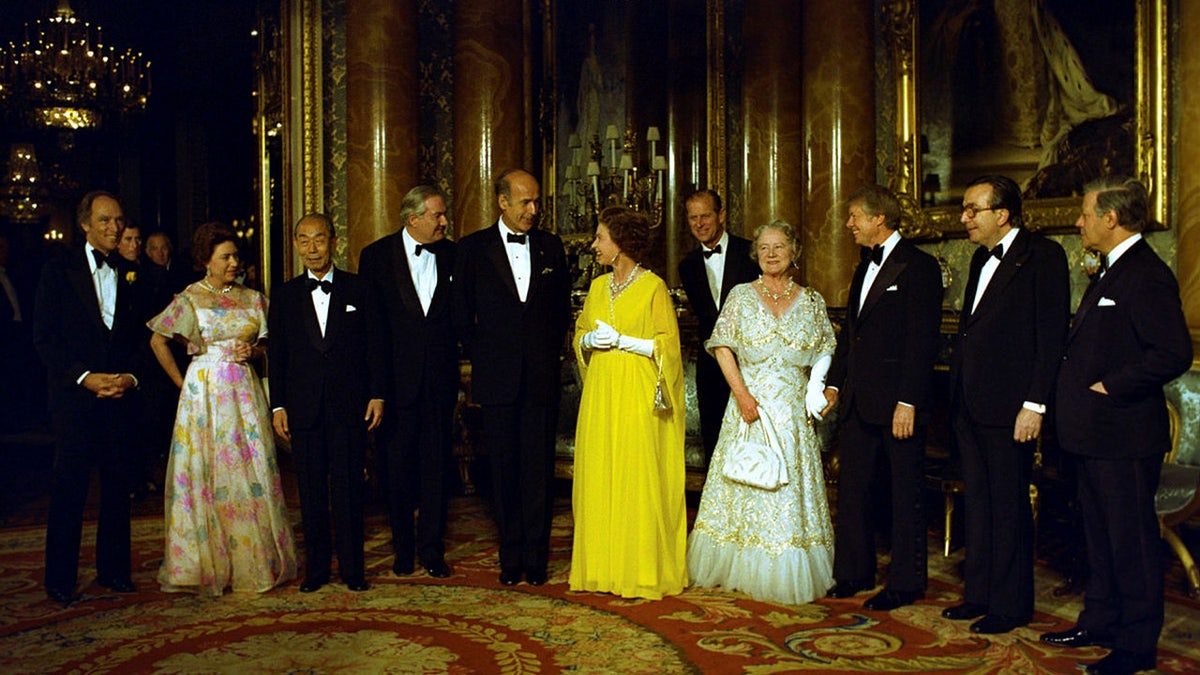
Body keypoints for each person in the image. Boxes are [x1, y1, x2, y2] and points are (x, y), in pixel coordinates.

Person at [1039, 177, 1191, 675]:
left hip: (1123, 434)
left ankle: (1135, 645)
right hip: (1093, 435)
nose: (1078, 222)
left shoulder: (1145, 274)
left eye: (1086, 215)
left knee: (1132, 543)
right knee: (1099, 537)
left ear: (1111, 218)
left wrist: (1112, 386)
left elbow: (1172, 352)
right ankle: (1099, 621)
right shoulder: (1111, 270)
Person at [942, 175, 1070, 634]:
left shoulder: (1044, 257)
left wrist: (1034, 405)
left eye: (973, 209)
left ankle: (1011, 605)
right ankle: (978, 595)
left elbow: (1050, 336)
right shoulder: (979, 259)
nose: (964, 218)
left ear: (1003, 213)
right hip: (970, 405)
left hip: (1012, 408)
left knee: (1008, 505)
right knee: (979, 503)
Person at [687, 219, 836, 605]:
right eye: (764, 248)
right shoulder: (740, 295)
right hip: (747, 408)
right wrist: (742, 395)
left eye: (779, 247)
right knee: (743, 484)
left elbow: (826, 349)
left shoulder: (812, 301)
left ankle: (784, 568)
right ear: (756, 254)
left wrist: (817, 388)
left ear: (794, 252)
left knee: (786, 493)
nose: (770, 255)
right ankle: (735, 563)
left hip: (792, 413)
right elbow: (722, 346)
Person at [148, 221, 297, 596]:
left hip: (244, 391)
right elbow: (157, 342)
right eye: (225, 256)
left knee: (247, 469)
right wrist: (183, 383)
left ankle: (252, 558)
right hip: (204, 393)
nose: (233, 262)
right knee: (206, 470)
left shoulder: (253, 299)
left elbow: (269, 345)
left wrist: (255, 351)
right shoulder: (190, 298)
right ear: (206, 260)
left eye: (235, 255)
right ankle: (199, 563)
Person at [822, 184, 943, 611]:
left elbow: (922, 342)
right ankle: (853, 574)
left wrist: (908, 401)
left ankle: (906, 583)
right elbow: (851, 337)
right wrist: (835, 383)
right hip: (858, 401)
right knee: (853, 490)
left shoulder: (919, 267)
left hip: (897, 405)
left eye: (855, 216)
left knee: (903, 493)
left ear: (879, 219)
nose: (849, 224)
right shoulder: (862, 267)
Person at [451, 168, 572, 587]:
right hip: (497, 378)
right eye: (525, 202)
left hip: (540, 377)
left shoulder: (550, 247)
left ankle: (536, 559)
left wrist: (545, 354)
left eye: (537, 201)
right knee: (502, 470)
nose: (533, 210)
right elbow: (460, 315)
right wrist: (485, 354)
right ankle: (511, 555)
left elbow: (560, 313)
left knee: (538, 470)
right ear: (502, 202)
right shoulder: (472, 249)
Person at [569, 206, 688, 600]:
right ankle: (602, 569)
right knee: (602, 473)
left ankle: (639, 570)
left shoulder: (653, 287)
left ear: (620, 243)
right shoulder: (599, 288)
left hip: (636, 393)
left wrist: (624, 341)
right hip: (601, 392)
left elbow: (668, 347)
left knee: (636, 476)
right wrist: (587, 341)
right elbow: (581, 332)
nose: (594, 245)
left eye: (601, 237)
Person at [33, 191, 146, 603]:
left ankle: (114, 571)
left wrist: (129, 378)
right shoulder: (57, 270)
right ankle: (60, 580)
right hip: (75, 400)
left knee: (118, 487)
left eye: (118, 220)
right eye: (105, 221)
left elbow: (141, 339)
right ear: (84, 224)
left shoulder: (134, 272)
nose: (114, 228)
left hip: (120, 398)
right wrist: (86, 378)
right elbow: (45, 340)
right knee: (70, 490)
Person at [268, 213, 386, 592]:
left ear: (333, 242)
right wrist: (278, 405)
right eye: (304, 240)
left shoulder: (360, 289)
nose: (312, 248)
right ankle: (316, 571)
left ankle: (354, 571)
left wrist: (377, 394)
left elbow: (375, 349)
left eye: (319, 239)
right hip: (302, 409)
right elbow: (279, 356)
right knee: (311, 492)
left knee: (349, 490)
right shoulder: (284, 296)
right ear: (296, 245)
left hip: (349, 407)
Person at [359, 186, 458, 579]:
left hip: (439, 383)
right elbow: (372, 332)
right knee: (396, 469)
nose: (444, 221)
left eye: (444, 214)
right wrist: (376, 391)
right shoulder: (376, 257)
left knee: (436, 470)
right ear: (412, 218)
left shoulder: (453, 254)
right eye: (437, 215)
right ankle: (403, 550)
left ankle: (432, 550)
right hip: (395, 388)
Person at [677, 190, 758, 459]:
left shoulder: (751, 253)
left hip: (749, 362)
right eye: (693, 218)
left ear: (721, 215)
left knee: (752, 437)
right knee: (713, 438)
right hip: (709, 365)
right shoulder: (686, 266)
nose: (699, 224)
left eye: (705, 216)